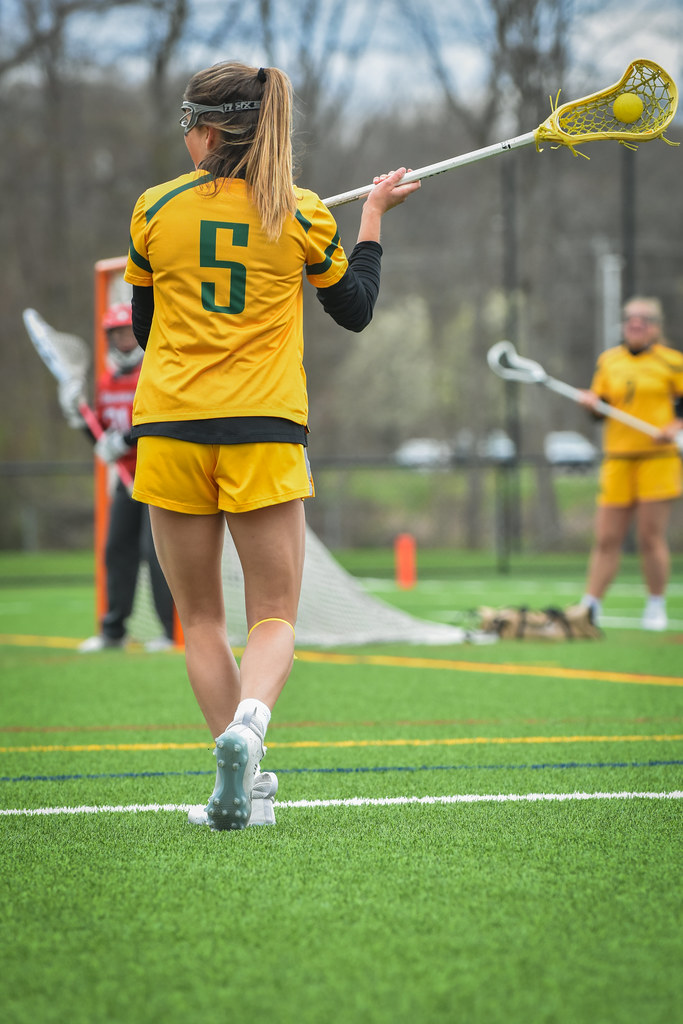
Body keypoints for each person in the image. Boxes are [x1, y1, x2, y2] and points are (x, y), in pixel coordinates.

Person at [123, 60, 420, 831]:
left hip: (169, 428)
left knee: (198, 620)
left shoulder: (153, 210)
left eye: (188, 124)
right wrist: (374, 219)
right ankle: (250, 724)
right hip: (263, 429)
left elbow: (147, 330)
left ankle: (252, 795)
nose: (185, 137)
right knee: (273, 616)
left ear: (209, 129)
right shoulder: (302, 211)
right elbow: (353, 310)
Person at [59, 303, 175, 652]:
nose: (124, 337)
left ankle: (172, 632)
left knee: (154, 552)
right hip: (127, 478)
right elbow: (103, 439)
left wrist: (123, 441)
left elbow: (159, 420)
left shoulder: (152, 371)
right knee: (116, 549)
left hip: (158, 474)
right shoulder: (106, 382)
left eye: (127, 330)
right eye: (117, 332)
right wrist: (81, 421)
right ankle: (113, 631)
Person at [578, 295, 683, 631]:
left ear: (655, 326)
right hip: (618, 458)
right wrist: (592, 404)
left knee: (650, 536)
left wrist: (674, 427)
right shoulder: (609, 361)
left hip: (658, 458)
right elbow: (602, 408)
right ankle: (590, 605)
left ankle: (655, 605)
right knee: (607, 537)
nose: (636, 324)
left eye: (644, 319)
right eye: (630, 318)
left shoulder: (672, 362)